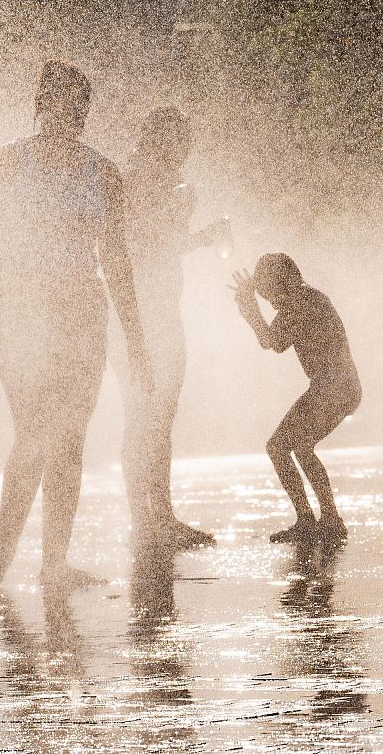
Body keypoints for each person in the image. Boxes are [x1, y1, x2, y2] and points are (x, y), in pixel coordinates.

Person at [0, 60, 152, 590]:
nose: (72, 112)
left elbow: (116, 262)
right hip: (25, 312)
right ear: (41, 103)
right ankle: (3, 556)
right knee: (32, 434)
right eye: (62, 101)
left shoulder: (104, 173)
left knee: (71, 440)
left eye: (81, 104)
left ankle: (54, 560)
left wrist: (136, 340)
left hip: (83, 313)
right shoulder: (4, 164)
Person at [120, 107, 225, 551]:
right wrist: (202, 237)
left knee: (155, 417)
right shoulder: (130, 181)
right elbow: (143, 242)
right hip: (134, 314)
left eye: (185, 142)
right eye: (176, 141)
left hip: (160, 311)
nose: (183, 151)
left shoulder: (173, 186)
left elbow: (158, 243)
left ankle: (155, 517)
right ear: (156, 140)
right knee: (145, 416)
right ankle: (148, 520)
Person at [232, 253, 361, 543]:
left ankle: (310, 520)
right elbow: (273, 340)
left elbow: (272, 342)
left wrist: (251, 310)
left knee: (278, 446)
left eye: (267, 289)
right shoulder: (304, 297)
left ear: (281, 281)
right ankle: (328, 519)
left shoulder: (300, 301)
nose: (268, 298)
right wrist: (252, 305)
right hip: (340, 386)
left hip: (333, 387)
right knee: (301, 446)